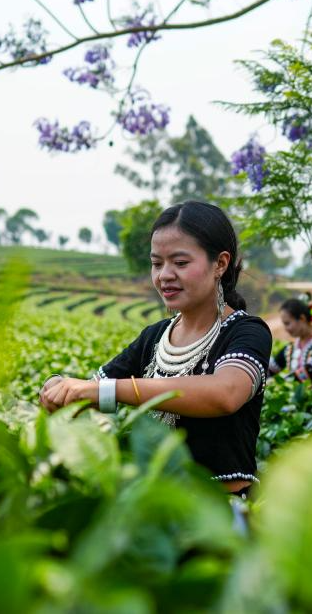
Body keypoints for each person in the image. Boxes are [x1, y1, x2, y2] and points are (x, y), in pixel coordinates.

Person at [39, 201, 272, 498]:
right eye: (157, 263)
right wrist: (59, 388)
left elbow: (225, 393)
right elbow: (93, 391)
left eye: (180, 263)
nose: (164, 275)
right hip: (155, 511)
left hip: (222, 516)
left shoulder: (246, 332)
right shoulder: (154, 337)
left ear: (220, 264)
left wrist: (104, 391)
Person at [268, 296, 312, 386]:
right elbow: (270, 369)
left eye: (287, 323)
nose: (286, 329)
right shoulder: (290, 349)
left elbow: (309, 372)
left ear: (302, 319)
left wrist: (280, 384)